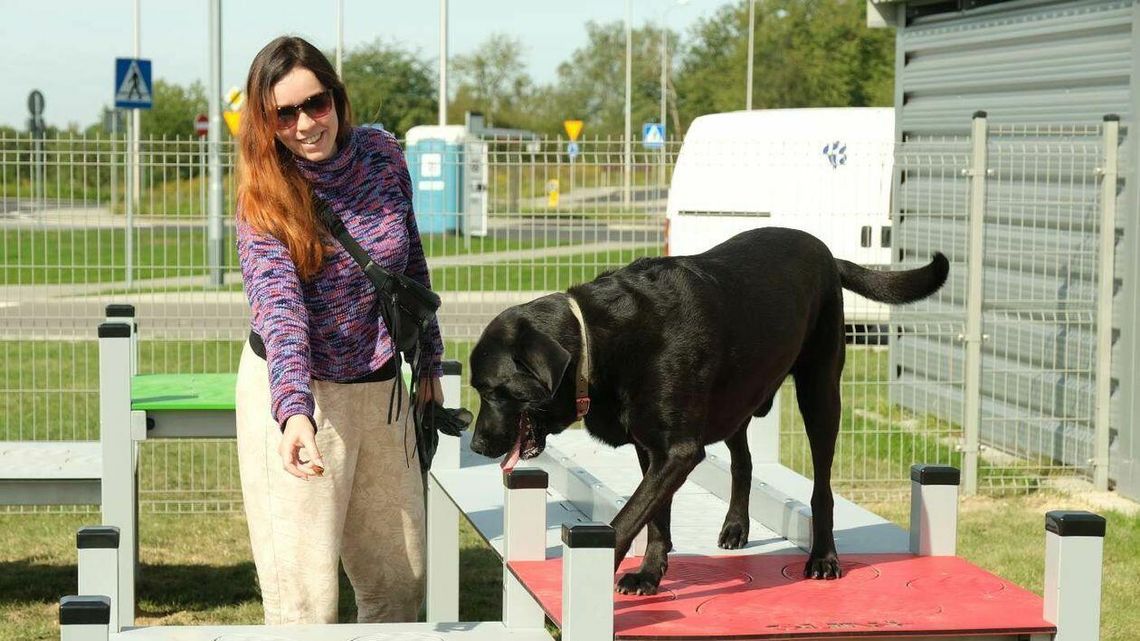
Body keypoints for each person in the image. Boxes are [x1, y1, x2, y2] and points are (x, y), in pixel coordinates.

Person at [233, 35, 444, 625]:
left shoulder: (382, 154)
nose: (305, 123)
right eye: (286, 113)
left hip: (380, 390)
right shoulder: (264, 199)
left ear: (337, 98)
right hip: (303, 395)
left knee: (400, 584)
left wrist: (428, 361)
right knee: (305, 602)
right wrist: (294, 409)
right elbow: (281, 313)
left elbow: (409, 265)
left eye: (316, 103)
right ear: (266, 121)